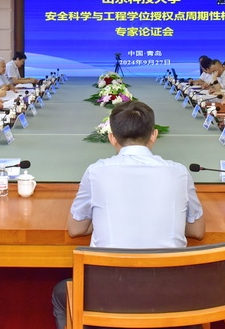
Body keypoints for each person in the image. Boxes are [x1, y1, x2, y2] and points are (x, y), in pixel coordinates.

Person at [51, 101, 205, 328]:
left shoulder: (96, 171)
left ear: (112, 138)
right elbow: (197, 231)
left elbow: (75, 229)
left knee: (61, 293)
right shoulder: (179, 173)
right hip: (170, 296)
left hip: (108, 296)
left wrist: (99, 220)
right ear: (153, 135)